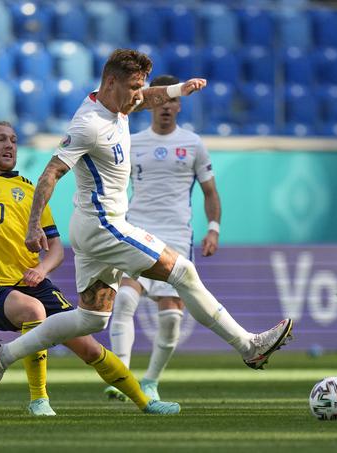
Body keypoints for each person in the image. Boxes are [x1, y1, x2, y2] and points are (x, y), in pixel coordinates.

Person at [0, 49, 294, 410]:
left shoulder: (120, 105)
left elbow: (148, 99)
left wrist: (178, 90)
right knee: (183, 271)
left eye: (140, 86)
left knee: (91, 319)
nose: (138, 94)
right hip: (103, 225)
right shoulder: (88, 123)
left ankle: (1, 358)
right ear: (110, 82)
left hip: (95, 225)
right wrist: (33, 227)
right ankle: (248, 347)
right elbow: (50, 174)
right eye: (132, 86)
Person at [0, 121, 179, 415]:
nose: (9, 145)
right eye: (1, 139)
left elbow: (55, 247)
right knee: (33, 311)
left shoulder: (30, 190)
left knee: (89, 348)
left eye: (13, 140)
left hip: (31, 281)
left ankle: (146, 403)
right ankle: (39, 400)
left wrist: (43, 269)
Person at [104, 74, 222, 402]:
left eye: (173, 102)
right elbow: (113, 183)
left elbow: (210, 191)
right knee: (125, 298)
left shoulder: (194, 144)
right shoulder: (132, 141)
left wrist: (213, 228)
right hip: (138, 229)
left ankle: (151, 381)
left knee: (170, 317)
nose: (167, 107)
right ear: (151, 102)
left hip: (177, 235)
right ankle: (121, 375)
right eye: (162, 100)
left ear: (179, 106)